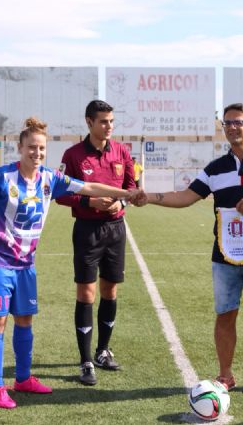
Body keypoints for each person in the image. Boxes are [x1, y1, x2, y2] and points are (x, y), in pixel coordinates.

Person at [0, 116, 140, 409]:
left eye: (42, 149)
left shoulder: (50, 178)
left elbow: (90, 188)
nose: (37, 153)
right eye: (32, 147)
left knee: (25, 320)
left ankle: (23, 379)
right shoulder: (0, 177)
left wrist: (126, 193)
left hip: (25, 264)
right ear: (20, 147)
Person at [134, 103, 243, 398]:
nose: (232, 127)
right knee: (225, 315)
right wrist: (151, 197)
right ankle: (225, 375)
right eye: (227, 123)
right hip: (224, 254)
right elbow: (186, 196)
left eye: (238, 122)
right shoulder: (215, 168)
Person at [56, 100, 135, 386]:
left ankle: (103, 351)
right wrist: (92, 201)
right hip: (87, 230)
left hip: (115, 229)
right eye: (103, 121)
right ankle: (86, 360)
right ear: (89, 122)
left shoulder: (122, 151)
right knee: (86, 293)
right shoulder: (74, 155)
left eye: (112, 121)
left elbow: (129, 186)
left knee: (110, 289)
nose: (109, 126)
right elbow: (60, 193)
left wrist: (119, 202)